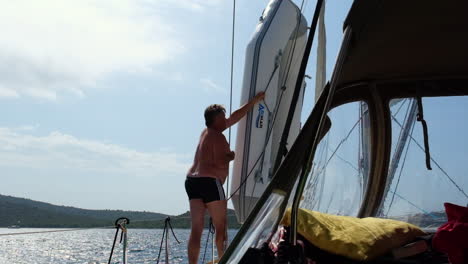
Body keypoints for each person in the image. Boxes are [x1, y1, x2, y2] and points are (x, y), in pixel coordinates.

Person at [185, 91, 266, 264]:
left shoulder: (205, 132)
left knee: (196, 229)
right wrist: (231, 156)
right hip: (210, 182)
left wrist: (253, 101)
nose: (226, 120)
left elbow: (234, 117)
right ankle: (224, 260)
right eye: (222, 118)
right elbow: (220, 161)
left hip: (192, 181)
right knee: (221, 228)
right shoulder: (219, 137)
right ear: (215, 120)